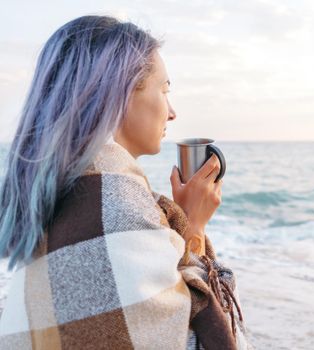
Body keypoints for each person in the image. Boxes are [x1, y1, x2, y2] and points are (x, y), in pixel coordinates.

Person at [0, 15, 251, 349]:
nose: (172, 112)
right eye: (164, 90)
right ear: (123, 91)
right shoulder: (112, 201)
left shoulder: (58, 191)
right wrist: (193, 227)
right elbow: (197, 342)